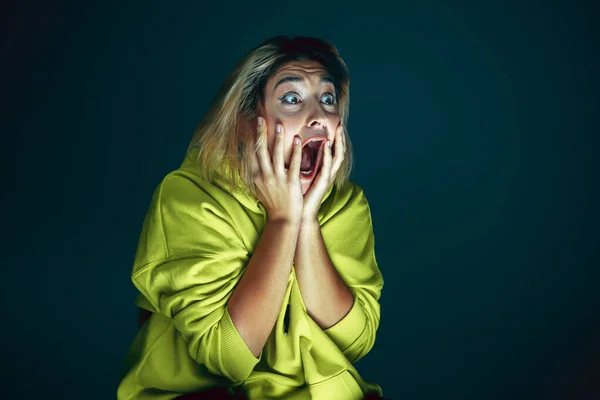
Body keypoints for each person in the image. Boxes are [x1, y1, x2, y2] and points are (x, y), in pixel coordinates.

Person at [117, 35, 385, 400]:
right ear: (248, 120)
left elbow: (357, 340)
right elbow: (226, 357)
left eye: (327, 99)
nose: (319, 117)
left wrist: (306, 221)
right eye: (292, 99)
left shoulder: (346, 205)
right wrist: (282, 222)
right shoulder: (190, 198)